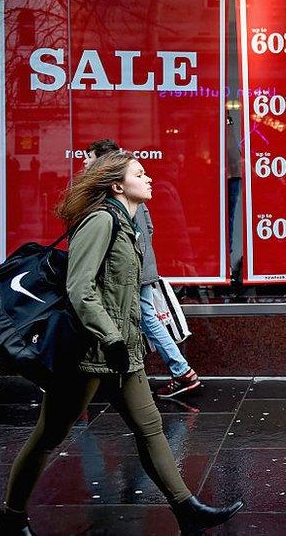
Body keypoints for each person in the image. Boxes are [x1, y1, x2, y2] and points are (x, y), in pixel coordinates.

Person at [0, 151, 242, 535]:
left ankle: (186, 509)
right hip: (87, 352)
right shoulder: (101, 221)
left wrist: (126, 339)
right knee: (49, 435)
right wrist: (110, 336)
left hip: (123, 351)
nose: (149, 179)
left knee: (150, 426)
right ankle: (10, 516)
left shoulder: (129, 225)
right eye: (139, 174)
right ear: (116, 185)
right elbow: (81, 289)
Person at [85, 140, 202, 398]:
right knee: (144, 319)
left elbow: (138, 233)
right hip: (142, 267)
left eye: (90, 158)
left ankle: (182, 371)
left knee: (146, 320)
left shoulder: (117, 198)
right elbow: (148, 229)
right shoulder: (129, 196)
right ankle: (177, 372)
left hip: (135, 272)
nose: (85, 163)